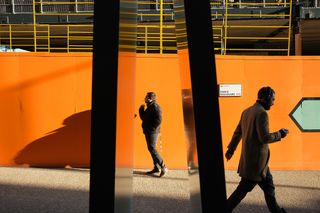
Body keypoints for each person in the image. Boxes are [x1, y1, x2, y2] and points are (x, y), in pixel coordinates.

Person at [225, 86, 289, 213]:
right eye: (273, 99)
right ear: (267, 98)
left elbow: (238, 132)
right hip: (256, 164)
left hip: (257, 163)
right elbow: (264, 138)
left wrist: (231, 149)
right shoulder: (262, 113)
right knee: (241, 191)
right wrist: (280, 134)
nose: (273, 103)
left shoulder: (247, 111)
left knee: (269, 189)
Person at [139, 92, 168, 177]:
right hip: (148, 131)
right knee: (151, 149)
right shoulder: (149, 107)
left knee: (152, 149)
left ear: (150, 98)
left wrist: (152, 128)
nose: (145, 98)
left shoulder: (155, 107)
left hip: (152, 132)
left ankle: (163, 167)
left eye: (146, 97)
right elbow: (144, 118)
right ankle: (156, 167)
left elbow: (159, 119)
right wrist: (141, 110)